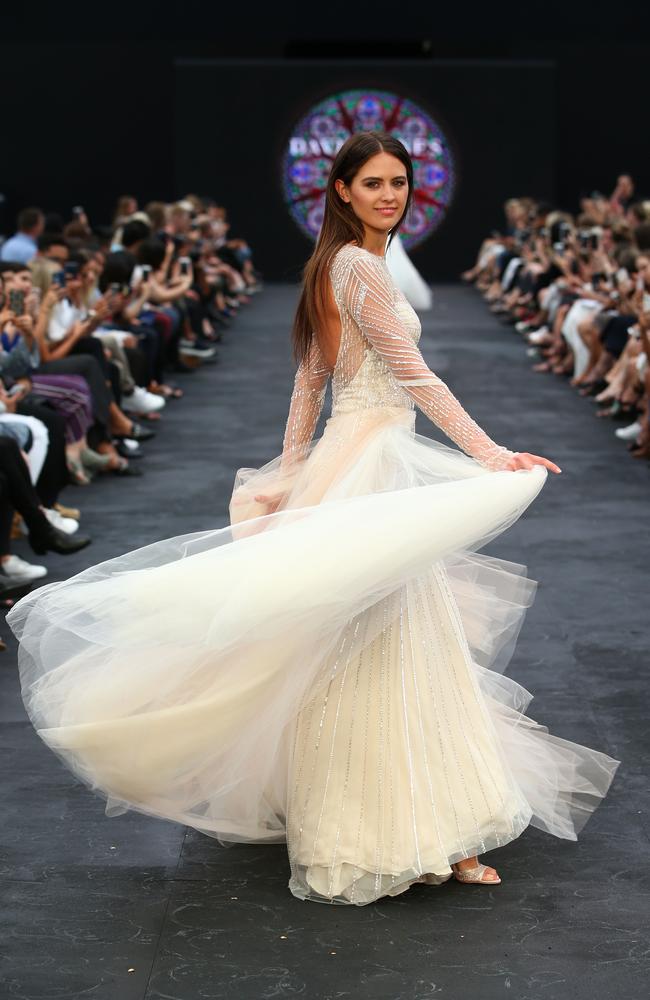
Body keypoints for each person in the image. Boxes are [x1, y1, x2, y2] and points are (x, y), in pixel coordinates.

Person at [7, 133, 619, 906]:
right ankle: (416, 828)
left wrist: (293, 470)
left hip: (353, 458)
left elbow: (308, 384)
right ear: (340, 190)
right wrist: (492, 451)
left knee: (370, 635)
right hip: (374, 462)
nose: (390, 195)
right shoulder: (359, 266)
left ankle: (410, 821)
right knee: (393, 636)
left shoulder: (331, 266)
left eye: (399, 182)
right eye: (373, 183)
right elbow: (410, 373)